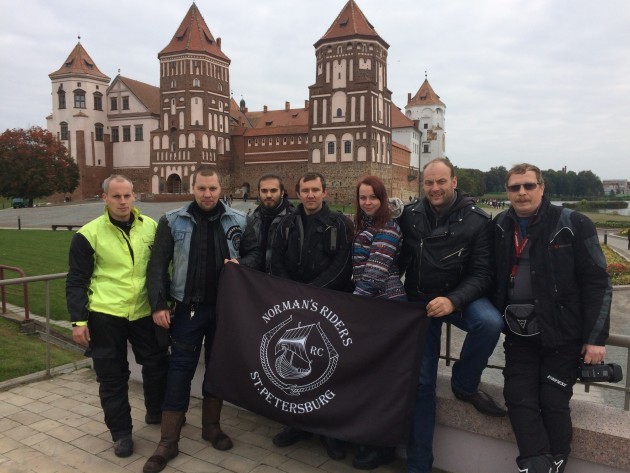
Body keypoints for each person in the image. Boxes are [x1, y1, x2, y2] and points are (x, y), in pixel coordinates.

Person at [493, 163, 611, 473]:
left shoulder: (574, 223)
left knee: (552, 399)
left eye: (528, 186)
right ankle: (537, 466)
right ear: (507, 192)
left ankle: (553, 463)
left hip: (562, 334)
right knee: (517, 396)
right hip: (519, 334)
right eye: (515, 187)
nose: (522, 192)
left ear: (542, 188)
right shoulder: (500, 225)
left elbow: (598, 283)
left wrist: (595, 338)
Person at [143, 166, 260, 473]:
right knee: (180, 369)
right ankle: (168, 440)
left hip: (225, 309)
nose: (207, 194)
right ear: (193, 188)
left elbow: (256, 256)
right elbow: (158, 265)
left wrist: (241, 262)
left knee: (218, 367)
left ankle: (211, 427)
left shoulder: (240, 220)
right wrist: (159, 304)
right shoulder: (172, 220)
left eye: (212, 189)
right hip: (188, 308)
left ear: (221, 189)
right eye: (202, 189)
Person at [399, 158, 506, 473]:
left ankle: (464, 382)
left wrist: (453, 299)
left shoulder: (477, 220)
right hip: (421, 302)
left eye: (441, 182)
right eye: (429, 182)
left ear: (454, 182)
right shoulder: (410, 215)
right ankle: (419, 465)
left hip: (460, 297)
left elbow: (483, 273)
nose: (434, 188)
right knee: (422, 385)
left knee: (490, 323)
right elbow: (398, 259)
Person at [66, 175, 168, 458]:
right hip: (106, 314)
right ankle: (121, 433)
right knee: (112, 376)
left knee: (157, 363)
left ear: (134, 196)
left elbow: (160, 270)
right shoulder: (88, 234)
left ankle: (155, 411)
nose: (123, 202)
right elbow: (76, 280)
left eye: (127, 195)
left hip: (144, 311)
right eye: (116, 196)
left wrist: (162, 303)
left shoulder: (151, 227)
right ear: (105, 198)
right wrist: (78, 321)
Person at [270, 171, 353, 460]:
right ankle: (297, 424)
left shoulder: (340, 223)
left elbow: (342, 265)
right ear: (298, 193)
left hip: (328, 307)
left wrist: (313, 294)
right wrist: (293, 293)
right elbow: (276, 260)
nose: (310, 195)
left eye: (315, 190)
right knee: (297, 368)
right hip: (296, 307)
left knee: (328, 370)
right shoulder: (287, 223)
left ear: (325, 192)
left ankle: (329, 431)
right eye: (305, 190)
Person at [350, 175, 406, 470]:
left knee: (383, 381)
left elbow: (374, 275)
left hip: (385, 308)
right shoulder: (366, 225)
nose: (367, 202)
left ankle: (383, 446)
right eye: (363, 197)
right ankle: (369, 437)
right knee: (371, 378)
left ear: (382, 198)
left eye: (373, 197)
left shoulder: (388, 228)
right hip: (373, 308)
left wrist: (349, 307)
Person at [241, 173, 294, 272]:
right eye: (264, 191)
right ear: (259, 193)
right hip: (257, 278)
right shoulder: (252, 219)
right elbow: (248, 252)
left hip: (283, 279)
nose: (268, 195)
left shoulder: (294, 219)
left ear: (282, 192)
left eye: (273, 190)